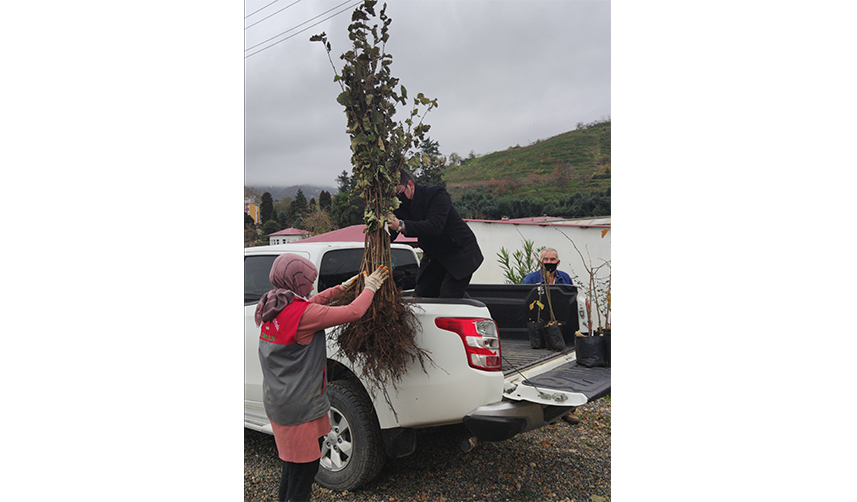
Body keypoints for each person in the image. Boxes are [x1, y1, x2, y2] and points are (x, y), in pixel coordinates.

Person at [255, 253, 389, 502]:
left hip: (280, 401)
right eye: (308, 279)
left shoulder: (273, 303)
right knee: (303, 474)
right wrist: (369, 288)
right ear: (296, 279)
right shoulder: (304, 315)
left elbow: (309, 304)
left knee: (292, 468)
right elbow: (353, 311)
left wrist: (342, 287)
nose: (311, 284)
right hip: (299, 407)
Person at [387, 169, 483, 298]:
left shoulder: (436, 194)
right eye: (393, 196)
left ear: (410, 185)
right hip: (434, 255)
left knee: (448, 296)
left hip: (459, 252)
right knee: (422, 294)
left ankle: (473, 314)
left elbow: (434, 226)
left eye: (398, 192)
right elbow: (390, 233)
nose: (397, 198)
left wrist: (401, 225)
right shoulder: (400, 205)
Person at [520, 247, 580, 425]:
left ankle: (567, 410)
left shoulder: (565, 278)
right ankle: (546, 411)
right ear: (540, 262)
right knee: (540, 373)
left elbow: (571, 302)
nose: (549, 263)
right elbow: (524, 304)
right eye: (546, 259)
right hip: (538, 329)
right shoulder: (530, 279)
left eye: (553, 259)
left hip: (560, 329)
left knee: (565, 370)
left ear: (558, 262)